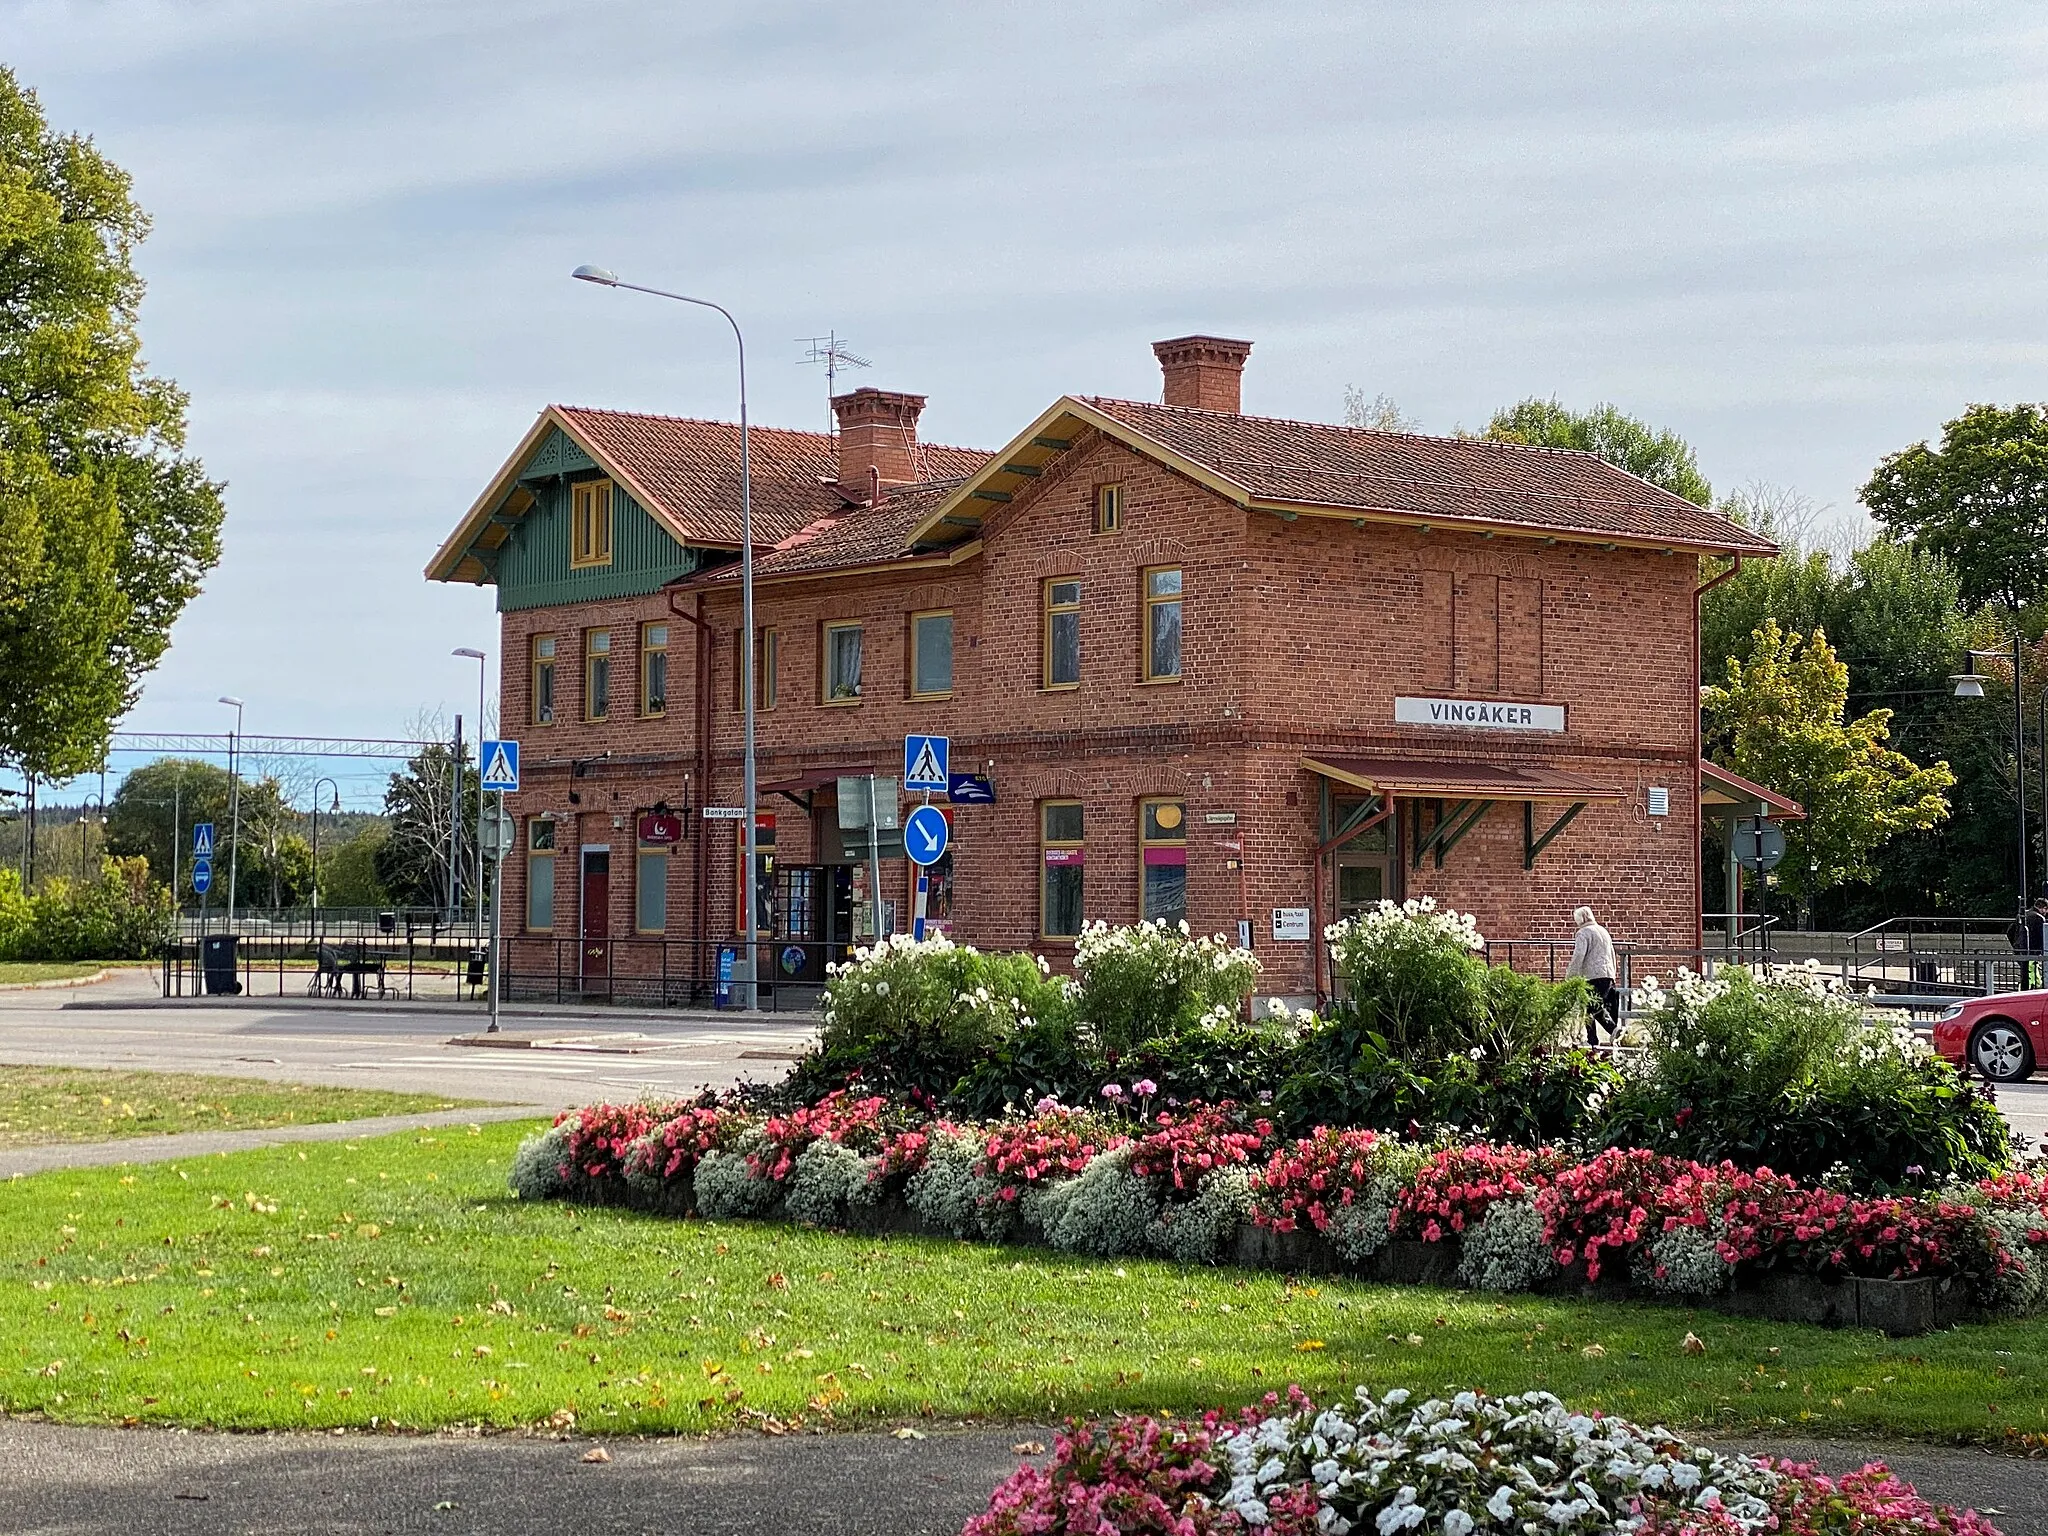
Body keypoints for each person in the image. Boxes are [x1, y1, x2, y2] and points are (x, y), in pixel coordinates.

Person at [1566, 905, 1618, 1047]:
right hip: (1607, 974)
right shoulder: (1603, 931)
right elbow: (1612, 954)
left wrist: (1570, 975)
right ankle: (1593, 1038)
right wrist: (1613, 974)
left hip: (1592, 976)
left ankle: (1613, 1031)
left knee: (1591, 1007)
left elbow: (1578, 955)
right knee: (1593, 1007)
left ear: (1580, 920)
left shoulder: (1583, 933)